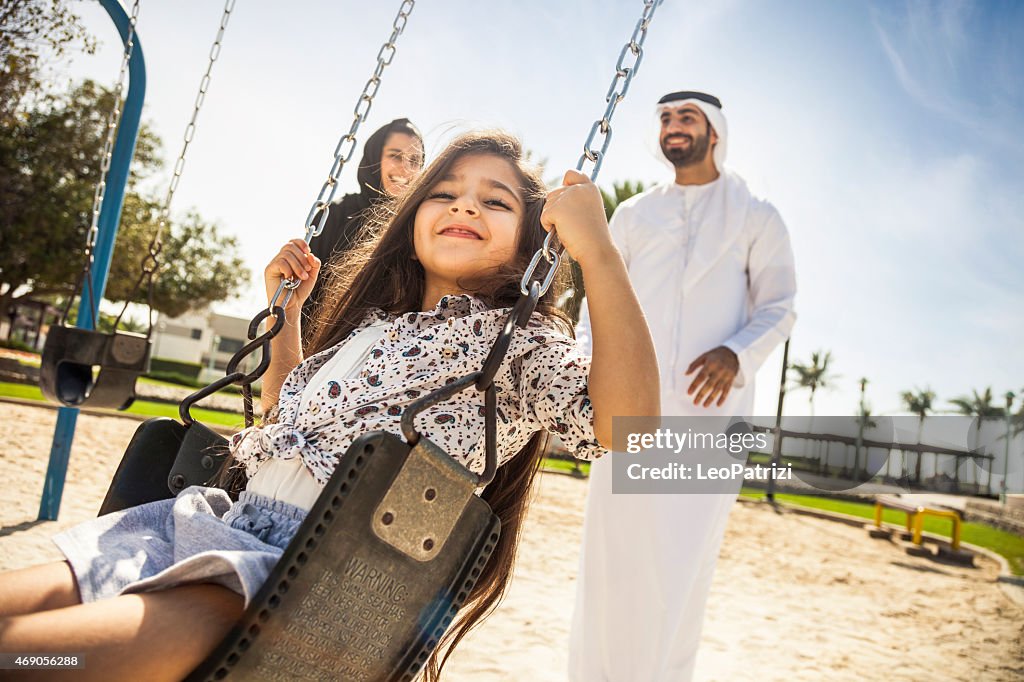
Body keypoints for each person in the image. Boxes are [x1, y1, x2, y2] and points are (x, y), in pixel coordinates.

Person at [0, 130, 660, 682]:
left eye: (496, 201)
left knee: (31, 660)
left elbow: (628, 431)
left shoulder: (517, 343)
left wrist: (598, 252)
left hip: (301, 584)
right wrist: (284, 309)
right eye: (446, 193)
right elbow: (286, 417)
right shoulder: (373, 328)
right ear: (413, 222)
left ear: (533, 245)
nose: (467, 207)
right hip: (208, 529)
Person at [568, 91, 797, 681]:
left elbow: (780, 306)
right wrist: (589, 383)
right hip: (630, 414)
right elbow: (598, 303)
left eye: (686, 117)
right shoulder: (635, 214)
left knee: (679, 566)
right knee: (613, 561)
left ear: (714, 131)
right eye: (666, 118)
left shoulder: (756, 214)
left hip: (707, 421)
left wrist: (736, 352)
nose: (673, 126)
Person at [302, 117, 425, 327]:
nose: (405, 169)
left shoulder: (420, 225)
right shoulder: (337, 213)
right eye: (395, 156)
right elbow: (307, 295)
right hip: (326, 338)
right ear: (374, 157)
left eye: (414, 161)